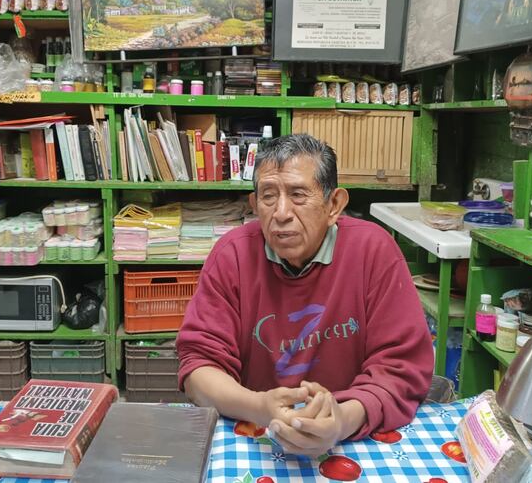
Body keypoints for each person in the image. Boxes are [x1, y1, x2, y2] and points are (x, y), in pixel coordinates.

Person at [176, 134, 434, 457]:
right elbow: (198, 368)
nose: (281, 213)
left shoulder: (375, 252)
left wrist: (341, 419)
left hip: (352, 439)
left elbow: (402, 368)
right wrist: (258, 406)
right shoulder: (232, 257)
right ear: (254, 205)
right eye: (269, 196)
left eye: (298, 195)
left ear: (334, 205)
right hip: (255, 435)